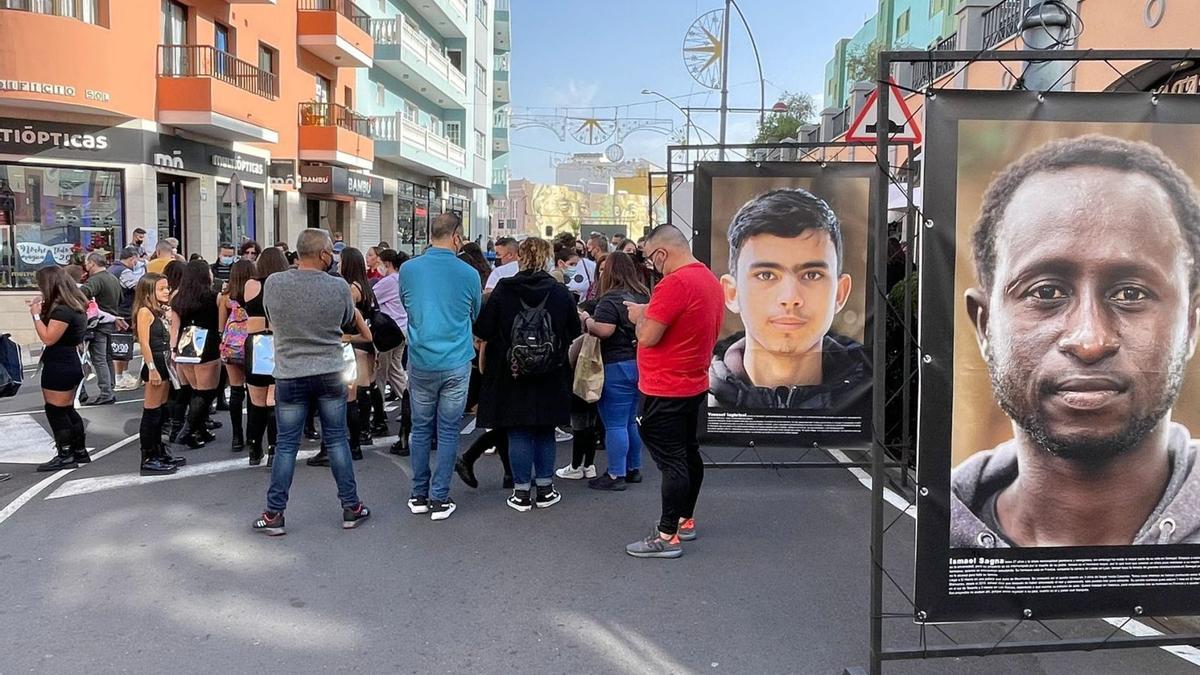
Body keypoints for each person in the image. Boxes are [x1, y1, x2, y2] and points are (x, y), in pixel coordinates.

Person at [952, 135, 1200, 548]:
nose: (1090, 340)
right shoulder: (919, 542)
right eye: (1046, 292)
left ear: (1190, 324)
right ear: (984, 325)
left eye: (1131, 293)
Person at [708, 188, 870, 414]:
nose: (790, 298)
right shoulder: (699, 401)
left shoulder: (871, 397)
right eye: (766, 275)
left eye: (812, 274)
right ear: (732, 293)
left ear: (840, 293)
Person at [253, 228, 370, 536]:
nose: (332, 256)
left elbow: (269, 317)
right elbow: (347, 318)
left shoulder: (275, 284)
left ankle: (274, 514)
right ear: (322, 254)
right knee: (336, 440)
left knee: (286, 446)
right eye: (331, 251)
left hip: (290, 373)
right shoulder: (338, 287)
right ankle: (351, 506)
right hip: (330, 371)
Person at [623, 224, 723, 558]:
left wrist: (640, 314)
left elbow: (649, 336)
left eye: (651, 259)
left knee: (672, 461)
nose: (652, 266)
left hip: (664, 387)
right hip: (692, 382)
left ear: (662, 253)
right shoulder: (708, 279)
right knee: (687, 453)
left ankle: (667, 535)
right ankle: (684, 520)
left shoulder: (675, 283)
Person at [474, 237, 580, 511]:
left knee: (518, 430)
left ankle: (521, 492)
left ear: (519, 258)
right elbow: (573, 331)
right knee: (544, 429)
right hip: (551, 370)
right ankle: (545, 488)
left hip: (512, 371)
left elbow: (484, 329)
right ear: (546, 258)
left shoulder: (503, 290)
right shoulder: (559, 292)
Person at [399, 212, 482, 521]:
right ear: (457, 237)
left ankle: (418, 494)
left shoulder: (408, 269)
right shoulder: (469, 273)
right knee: (448, 430)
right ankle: (439, 497)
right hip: (457, 360)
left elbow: (407, 305)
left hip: (421, 359)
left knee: (420, 429)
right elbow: (475, 313)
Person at [580, 251, 650, 490]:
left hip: (615, 365)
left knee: (615, 424)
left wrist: (588, 321)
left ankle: (615, 474)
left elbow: (605, 330)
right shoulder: (643, 294)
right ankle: (634, 468)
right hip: (639, 363)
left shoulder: (610, 299)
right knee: (631, 421)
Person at [29, 266, 91, 472]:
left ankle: (65, 453)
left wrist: (36, 316)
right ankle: (79, 449)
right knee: (66, 409)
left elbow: (48, 337)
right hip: (69, 361)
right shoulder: (74, 305)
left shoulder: (62, 310)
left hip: (59, 364)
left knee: (55, 410)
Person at [132, 273, 184, 475]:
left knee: (162, 411)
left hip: (164, 363)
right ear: (149, 292)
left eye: (167, 288)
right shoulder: (145, 312)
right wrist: (151, 368)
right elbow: (144, 343)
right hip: (154, 363)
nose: (167, 291)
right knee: (152, 412)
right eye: (162, 289)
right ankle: (148, 457)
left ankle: (159, 451)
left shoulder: (161, 311)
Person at [243, 247, 289, 466]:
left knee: (256, 401)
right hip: (278, 341)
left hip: (255, 342)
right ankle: (273, 449)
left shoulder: (251, 285)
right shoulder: (284, 286)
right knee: (274, 399)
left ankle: (254, 448)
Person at [169, 260, 222, 449]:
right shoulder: (214, 297)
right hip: (207, 345)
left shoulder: (177, 297)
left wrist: (173, 350)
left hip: (185, 345)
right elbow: (220, 324)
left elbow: (174, 328)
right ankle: (188, 430)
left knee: (194, 390)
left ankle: (199, 430)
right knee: (207, 392)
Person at [374, 248, 413, 456]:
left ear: (387, 263)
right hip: (402, 330)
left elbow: (371, 299)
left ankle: (379, 411)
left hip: (388, 332)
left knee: (380, 372)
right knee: (395, 370)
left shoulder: (388, 282)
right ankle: (408, 398)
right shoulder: (403, 280)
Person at [218, 259, 256, 453]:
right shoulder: (255, 294)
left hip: (231, 348)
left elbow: (221, 326)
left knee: (235, 392)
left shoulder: (225, 297)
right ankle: (251, 434)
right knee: (252, 391)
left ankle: (236, 437)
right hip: (251, 347)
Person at [80, 251, 122, 405]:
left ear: (92, 263)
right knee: (107, 358)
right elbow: (121, 298)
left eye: (87, 262)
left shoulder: (95, 280)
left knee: (99, 359)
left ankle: (106, 392)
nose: (85, 265)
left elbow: (81, 294)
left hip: (99, 323)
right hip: (111, 322)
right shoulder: (113, 278)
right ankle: (110, 387)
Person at [113, 245, 146, 392]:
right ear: (133, 258)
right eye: (137, 260)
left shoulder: (112, 269)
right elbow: (137, 287)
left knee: (121, 345)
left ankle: (122, 375)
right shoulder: (124, 271)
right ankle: (120, 376)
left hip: (117, 311)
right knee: (122, 345)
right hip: (124, 312)